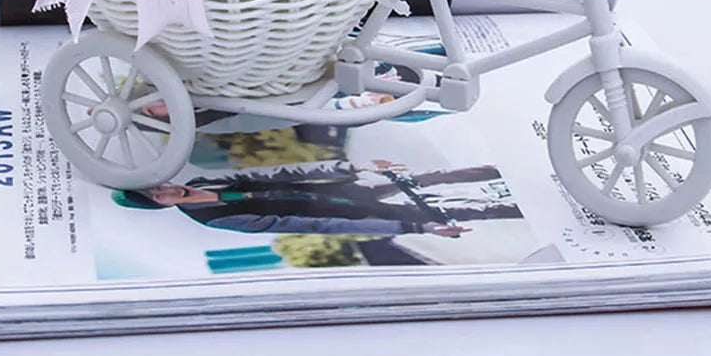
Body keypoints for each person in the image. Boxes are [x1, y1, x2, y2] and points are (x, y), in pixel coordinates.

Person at [113, 159, 522, 237]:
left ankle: (503, 168)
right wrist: (416, 227)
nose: (165, 190)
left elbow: (285, 174)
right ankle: (512, 207)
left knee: (432, 175)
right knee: (448, 210)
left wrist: (352, 169)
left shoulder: (205, 179)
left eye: (157, 185)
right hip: (343, 209)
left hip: (342, 187)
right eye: (157, 196)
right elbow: (310, 224)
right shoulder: (213, 219)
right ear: (160, 206)